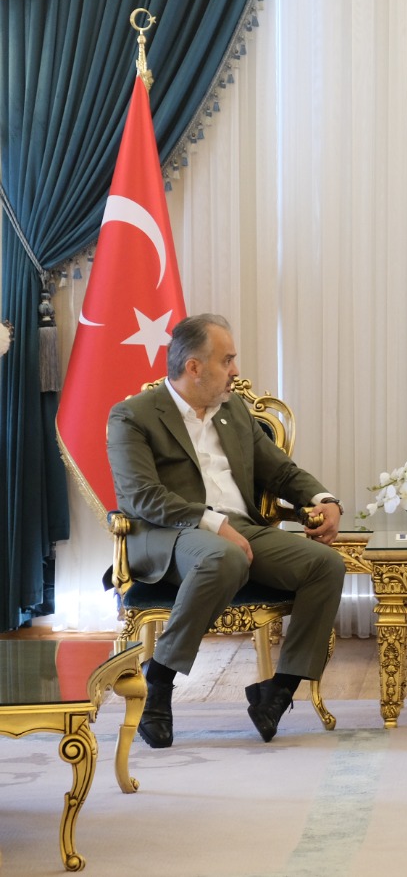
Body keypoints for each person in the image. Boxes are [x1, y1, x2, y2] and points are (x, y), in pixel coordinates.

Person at [107, 314, 347, 749]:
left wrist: (323, 498)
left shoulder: (233, 411)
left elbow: (281, 471)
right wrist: (213, 523)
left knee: (325, 564)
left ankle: (277, 693)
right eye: (227, 360)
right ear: (194, 367)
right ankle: (158, 682)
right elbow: (141, 496)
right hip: (169, 533)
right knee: (224, 555)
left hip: (241, 529)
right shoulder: (133, 416)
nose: (236, 370)